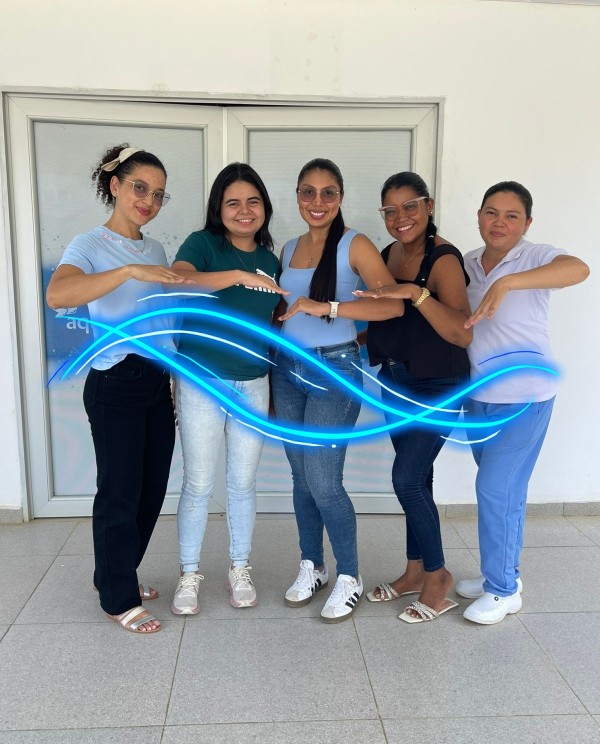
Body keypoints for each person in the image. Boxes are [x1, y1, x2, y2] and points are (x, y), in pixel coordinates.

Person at [46, 144, 186, 633]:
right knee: (120, 492)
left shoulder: (156, 249)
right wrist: (127, 270)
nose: (149, 201)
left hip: (156, 380)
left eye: (159, 194)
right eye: (139, 188)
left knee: (151, 489)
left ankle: (116, 571)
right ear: (115, 186)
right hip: (115, 382)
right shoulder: (89, 244)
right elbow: (58, 294)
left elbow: (161, 320)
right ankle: (117, 596)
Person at [272, 157, 403, 623]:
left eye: (328, 193)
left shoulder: (355, 244)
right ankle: (313, 565)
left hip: (334, 371)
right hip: (287, 369)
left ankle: (350, 575)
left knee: (325, 481)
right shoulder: (288, 248)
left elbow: (392, 307)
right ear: (297, 196)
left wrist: (326, 307)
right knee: (301, 478)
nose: (318, 201)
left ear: (340, 198)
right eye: (308, 192)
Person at [457, 181, 589, 624]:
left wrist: (508, 282)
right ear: (479, 216)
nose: (500, 223)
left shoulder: (535, 256)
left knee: (495, 489)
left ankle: (502, 591)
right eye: (491, 212)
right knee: (504, 492)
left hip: (525, 399)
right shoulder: (467, 263)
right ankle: (501, 574)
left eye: (512, 216)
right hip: (478, 398)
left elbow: (579, 269)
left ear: (527, 223)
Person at [352, 172, 472, 623]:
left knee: (405, 479)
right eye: (390, 210)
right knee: (418, 480)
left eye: (410, 206)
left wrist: (417, 293)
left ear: (429, 205)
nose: (400, 217)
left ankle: (438, 577)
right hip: (396, 382)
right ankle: (415, 571)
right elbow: (393, 319)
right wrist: (350, 335)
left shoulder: (443, 259)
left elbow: (460, 332)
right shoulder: (389, 254)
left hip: (438, 385)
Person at [169, 163, 287, 615]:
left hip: (253, 383)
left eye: (253, 201)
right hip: (202, 380)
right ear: (218, 208)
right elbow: (179, 279)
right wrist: (238, 275)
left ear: (265, 208)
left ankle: (240, 567)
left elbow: (270, 325)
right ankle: (189, 573)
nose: (244, 210)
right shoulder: (203, 245)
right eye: (232, 202)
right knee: (198, 483)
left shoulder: (271, 260)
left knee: (242, 483)